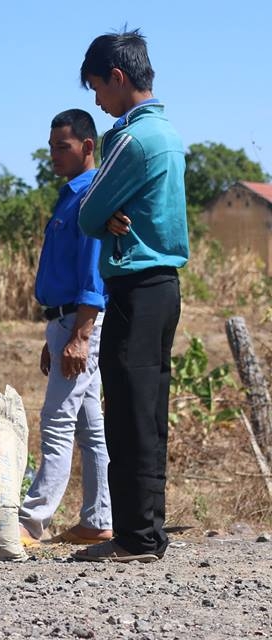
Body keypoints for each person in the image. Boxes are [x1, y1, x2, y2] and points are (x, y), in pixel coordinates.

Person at [74, 29, 189, 563]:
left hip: (133, 288)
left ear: (118, 78)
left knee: (126, 412)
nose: (97, 100)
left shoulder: (130, 138)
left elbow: (87, 211)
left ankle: (136, 538)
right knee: (148, 410)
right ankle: (147, 531)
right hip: (164, 289)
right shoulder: (168, 133)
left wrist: (107, 220)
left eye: (98, 87)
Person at [17, 109, 112, 548]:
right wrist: (54, 332)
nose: (54, 154)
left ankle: (32, 519)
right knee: (91, 426)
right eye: (52, 145)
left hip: (80, 319)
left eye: (63, 147)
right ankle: (98, 518)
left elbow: (93, 275)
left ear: (87, 147)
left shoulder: (91, 194)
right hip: (64, 319)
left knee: (56, 421)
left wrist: (79, 334)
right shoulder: (69, 195)